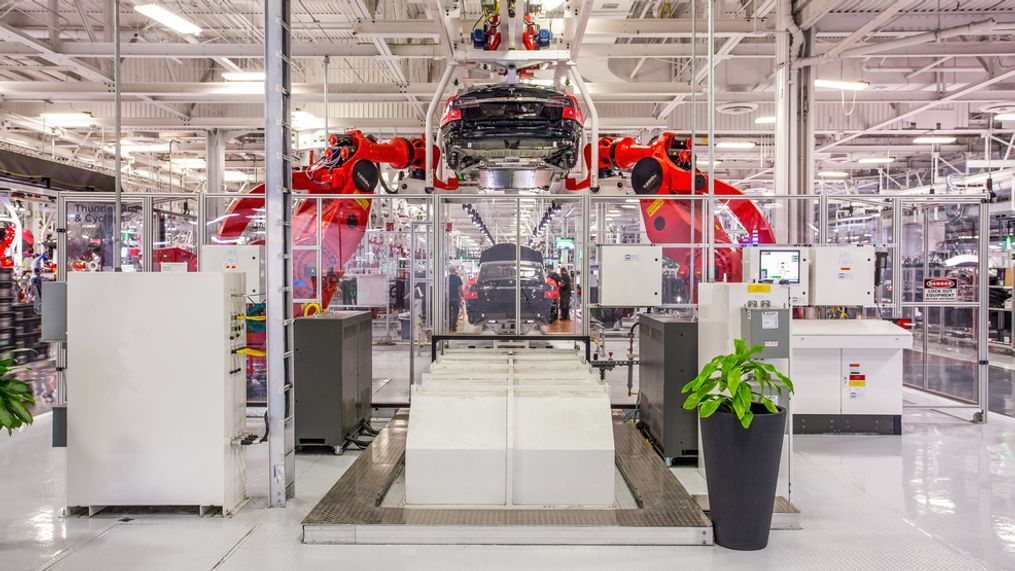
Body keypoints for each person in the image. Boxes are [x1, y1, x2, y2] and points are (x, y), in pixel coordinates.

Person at [447, 266, 463, 332]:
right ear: (455, 270)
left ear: (449, 270)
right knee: (455, 313)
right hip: (456, 298)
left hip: (448, 298)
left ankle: (449, 326)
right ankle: (453, 327)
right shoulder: (458, 278)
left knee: (448, 313)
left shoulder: (446, 278)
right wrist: (462, 296)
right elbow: (460, 289)